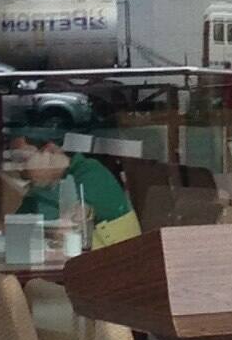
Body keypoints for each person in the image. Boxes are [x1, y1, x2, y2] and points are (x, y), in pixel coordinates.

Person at [7, 105, 140, 250]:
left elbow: (65, 230)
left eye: (22, 159)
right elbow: (16, 234)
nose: (19, 168)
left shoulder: (91, 174)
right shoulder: (43, 188)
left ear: (50, 150)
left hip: (118, 261)